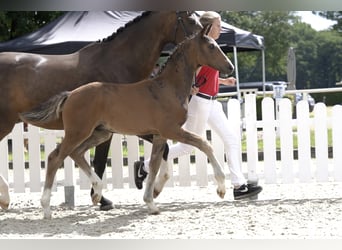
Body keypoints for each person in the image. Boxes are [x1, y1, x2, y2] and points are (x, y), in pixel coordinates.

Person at [134, 11, 262, 200]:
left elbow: (208, 75)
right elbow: (191, 69)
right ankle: (144, 166)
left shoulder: (212, 45)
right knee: (187, 148)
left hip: (213, 101)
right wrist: (191, 85)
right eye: (219, 25)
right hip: (201, 102)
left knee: (231, 139)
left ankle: (239, 186)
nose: (221, 28)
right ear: (209, 27)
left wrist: (223, 83)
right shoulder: (200, 46)